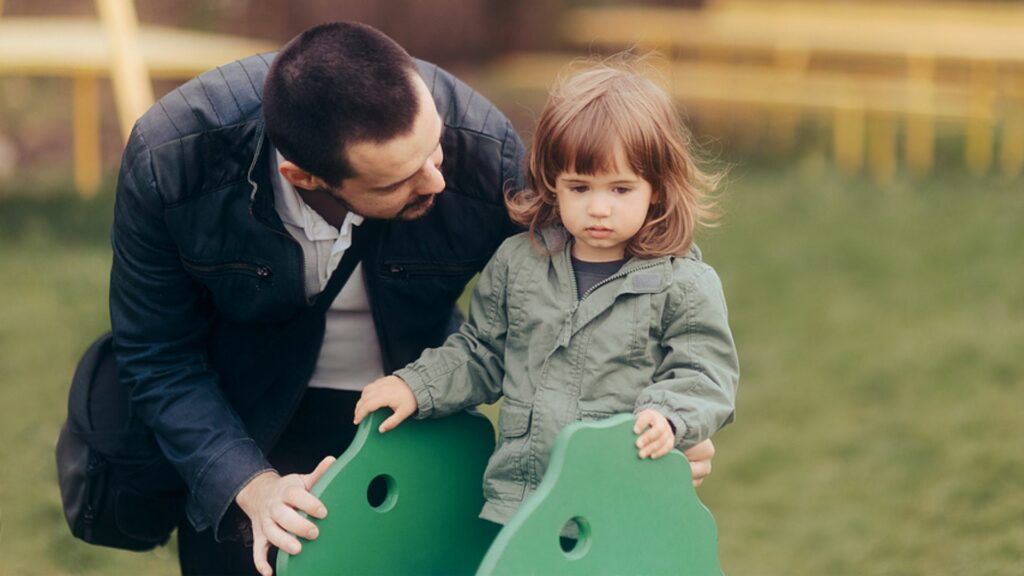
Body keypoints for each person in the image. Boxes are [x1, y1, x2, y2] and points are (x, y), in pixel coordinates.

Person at [109, 21, 716, 576]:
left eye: (433, 147)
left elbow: (610, 278)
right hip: (246, 422)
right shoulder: (173, 162)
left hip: (415, 425)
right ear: (305, 177)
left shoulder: (483, 148)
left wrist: (672, 418)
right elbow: (157, 353)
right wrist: (252, 486)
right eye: (400, 179)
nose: (438, 180)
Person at [355, 62, 739, 527]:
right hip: (518, 504)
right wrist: (415, 385)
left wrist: (670, 417)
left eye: (621, 189)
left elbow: (704, 373)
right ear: (553, 183)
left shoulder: (683, 284)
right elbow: (482, 352)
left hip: (618, 506)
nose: (599, 207)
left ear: (656, 190)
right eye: (580, 187)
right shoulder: (520, 263)